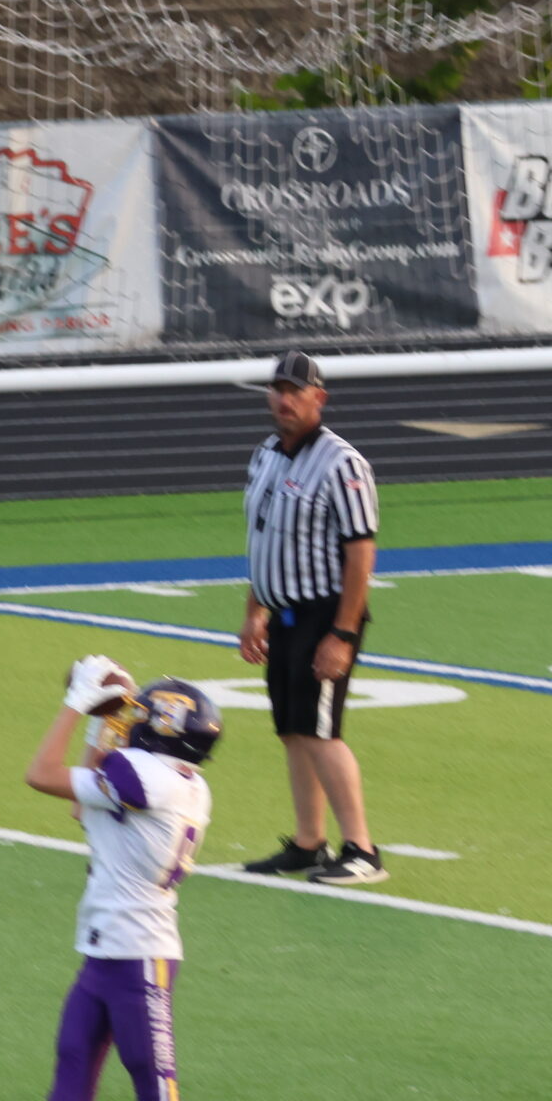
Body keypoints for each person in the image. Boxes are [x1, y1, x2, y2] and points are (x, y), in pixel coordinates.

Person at [25, 658, 237, 1101]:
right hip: (104, 953)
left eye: (141, 715)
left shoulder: (148, 776)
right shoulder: (167, 778)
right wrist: (106, 722)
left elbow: (43, 776)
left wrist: (78, 706)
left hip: (140, 958)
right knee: (68, 1100)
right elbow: (83, 803)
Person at [234, 350, 386, 886]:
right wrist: (256, 610)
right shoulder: (265, 454)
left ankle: (362, 850)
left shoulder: (342, 463)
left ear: (318, 397)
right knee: (293, 731)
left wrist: (342, 633)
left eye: (295, 391)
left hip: (325, 612)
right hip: (283, 613)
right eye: (277, 389)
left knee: (321, 731)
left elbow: (360, 553)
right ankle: (308, 842)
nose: (284, 399)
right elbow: (263, 540)